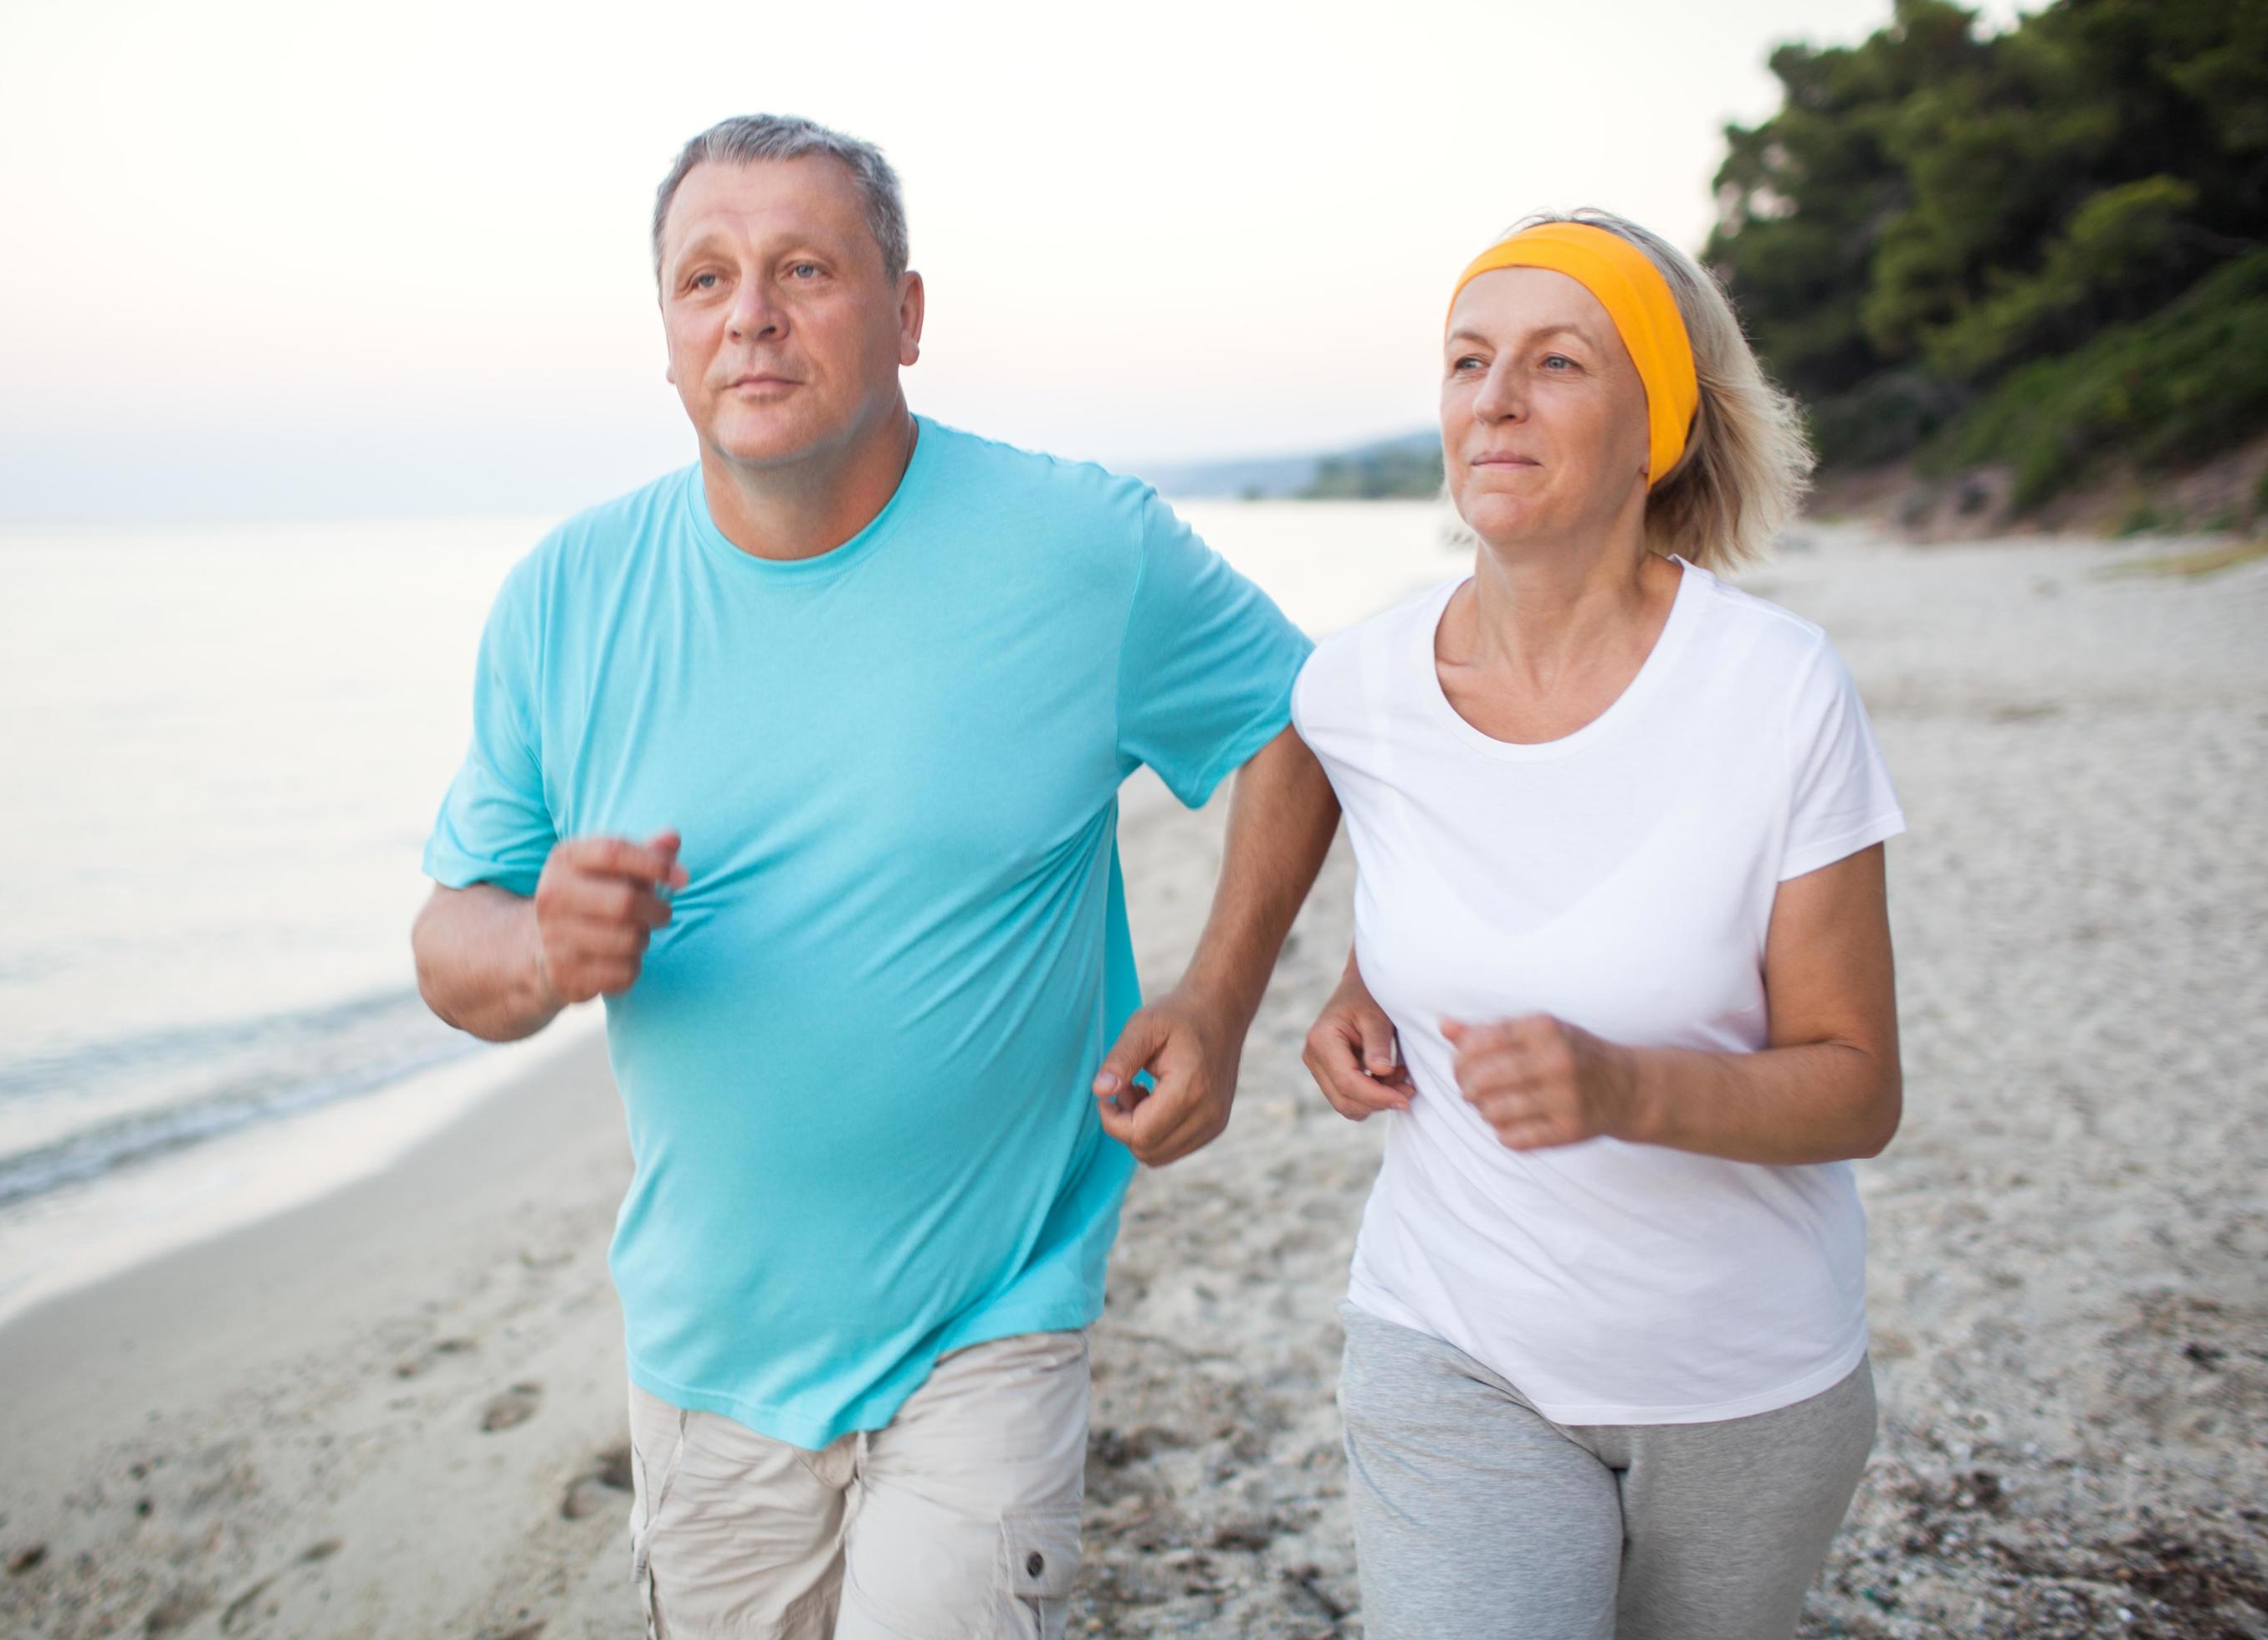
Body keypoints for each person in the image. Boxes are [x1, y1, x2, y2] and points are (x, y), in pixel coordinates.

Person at [409, 114, 1337, 1639]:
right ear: (666, 337)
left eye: (803, 269)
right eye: (705, 279)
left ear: (905, 314)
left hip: (995, 1314)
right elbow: (453, 938)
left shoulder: (1075, 547)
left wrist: (1221, 998)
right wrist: (543, 951)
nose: (751, 314)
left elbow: (1292, 720)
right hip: (708, 1352)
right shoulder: (567, 598)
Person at [1291, 211, 1905, 1640]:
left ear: (1661, 429)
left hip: (1743, 1383)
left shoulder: (1776, 691)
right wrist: (1347, 992)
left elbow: (1857, 1085)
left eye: (1556, 362)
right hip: (1452, 1343)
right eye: (1467, 361)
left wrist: (1623, 1086)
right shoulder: (1357, 687)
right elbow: (1425, 868)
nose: (1494, 398)